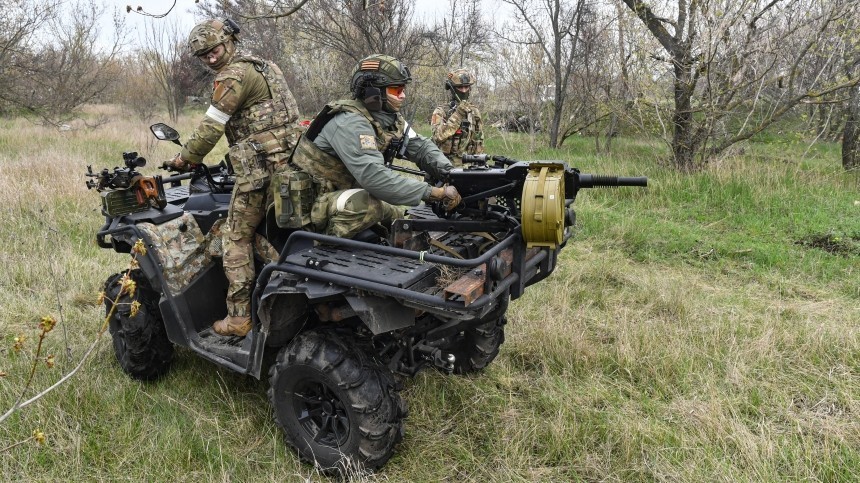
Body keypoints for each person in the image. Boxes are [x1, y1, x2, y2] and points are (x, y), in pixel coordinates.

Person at [164, 18, 302, 337]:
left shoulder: (231, 75)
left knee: (235, 235)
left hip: (261, 169)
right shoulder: (266, 66)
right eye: (204, 56)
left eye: (214, 50)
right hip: (293, 161)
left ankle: (239, 317)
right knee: (284, 229)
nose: (211, 58)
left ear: (229, 41)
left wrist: (185, 158)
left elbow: (212, 127)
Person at [287, 54, 461, 240]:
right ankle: (321, 247)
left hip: (341, 196)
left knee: (399, 218)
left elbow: (420, 147)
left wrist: (451, 173)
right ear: (372, 93)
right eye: (396, 90)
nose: (403, 96)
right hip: (310, 204)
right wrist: (435, 193)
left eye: (403, 89)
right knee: (372, 206)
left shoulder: (388, 119)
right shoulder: (350, 122)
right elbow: (374, 177)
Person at [430, 68, 484, 166]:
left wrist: (479, 164)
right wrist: (458, 115)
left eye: (466, 87)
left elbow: (478, 141)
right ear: (453, 89)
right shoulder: (441, 111)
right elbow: (438, 136)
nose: (464, 91)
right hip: (443, 165)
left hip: (466, 167)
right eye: (460, 87)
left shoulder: (474, 112)